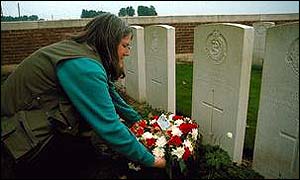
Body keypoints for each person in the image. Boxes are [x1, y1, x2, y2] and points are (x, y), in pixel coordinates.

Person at [1, 12, 166, 178]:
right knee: (90, 163)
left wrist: (138, 121)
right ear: (109, 42)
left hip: (30, 123)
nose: (128, 52)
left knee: (90, 150)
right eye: (125, 45)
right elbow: (109, 125)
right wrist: (152, 160)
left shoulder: (84, 51)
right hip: (18, 139)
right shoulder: (84, 66)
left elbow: (110, 94)